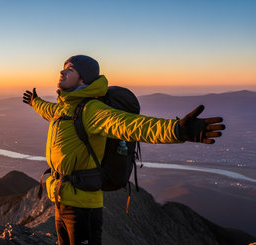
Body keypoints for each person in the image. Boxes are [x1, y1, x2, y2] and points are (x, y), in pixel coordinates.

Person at [22, 55, 225, 245]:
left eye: (70, 69)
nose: (62, 72)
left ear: (83, 80)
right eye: (64, 68)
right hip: (61, 199)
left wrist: (177, 130)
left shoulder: (91, 110)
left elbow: (131, 125)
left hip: (83, 207)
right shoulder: (62, 109)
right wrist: (34, 101)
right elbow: (45, 109)